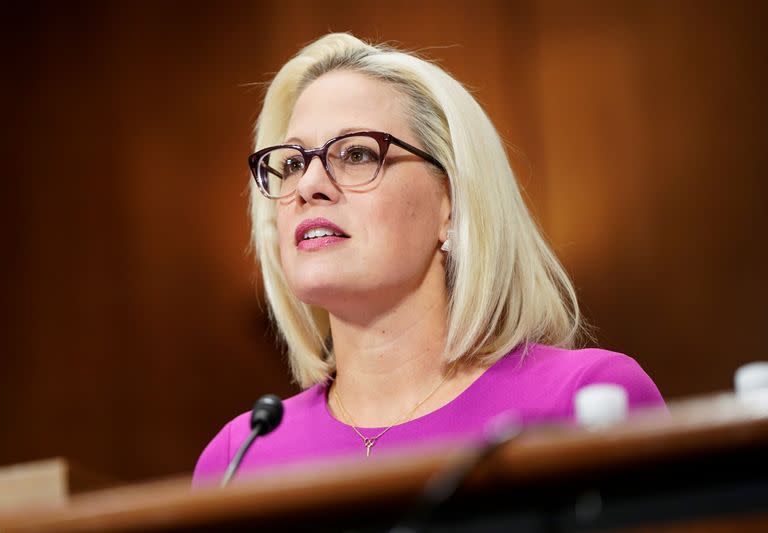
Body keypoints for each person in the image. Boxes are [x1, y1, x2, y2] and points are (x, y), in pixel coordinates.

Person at [192, 33, 664, 486]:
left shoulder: (584, 401)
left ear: (451, 204)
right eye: (292, 163)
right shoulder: (239, 457)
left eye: (356, 153)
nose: (309, 184)